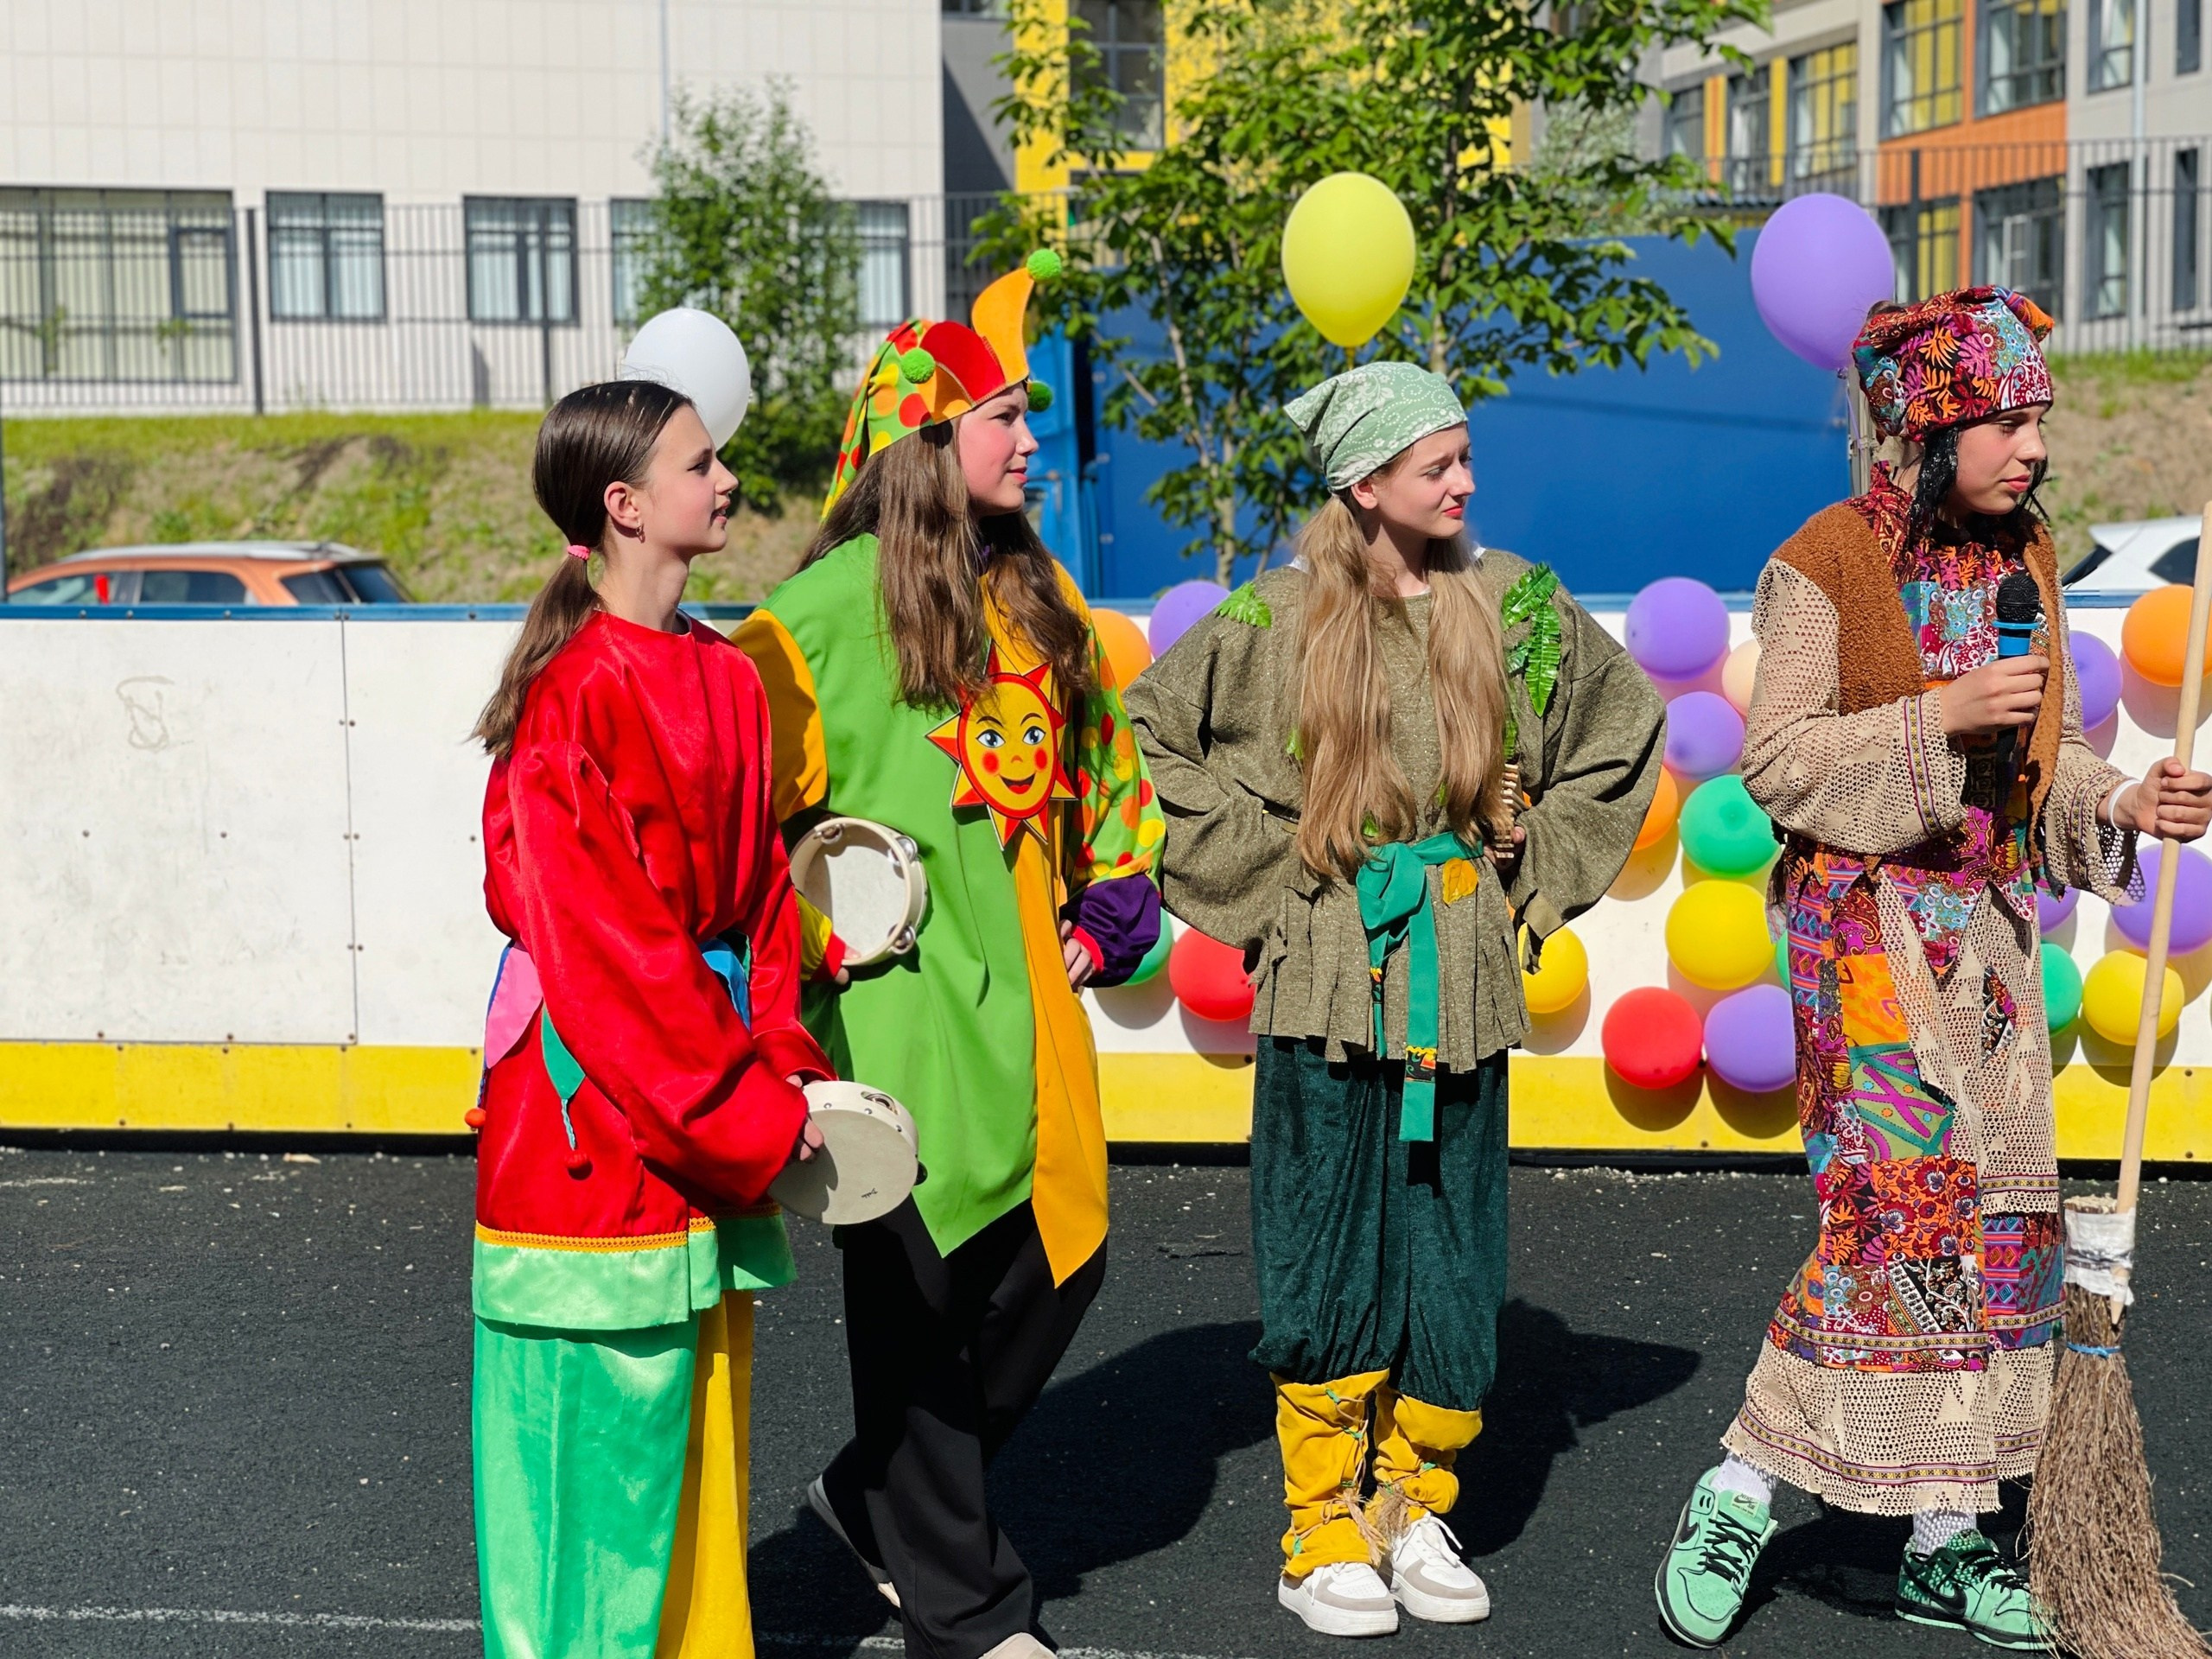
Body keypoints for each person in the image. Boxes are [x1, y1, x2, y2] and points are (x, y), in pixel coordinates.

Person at [1653, 288, 2212, 1651]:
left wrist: (2118, 805)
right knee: (1895, 1233)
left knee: (1999, 1243)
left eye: (2039, 419)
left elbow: (2037, 766)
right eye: (2008, 418)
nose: (2031, 446)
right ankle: (1739, 1483)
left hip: (1995, 952)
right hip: (1870, 945)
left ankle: (1946, 1540)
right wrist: (1934, 717)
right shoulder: (1825, 564)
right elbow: (1777, 764)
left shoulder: (2022, 559)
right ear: (1934, 420)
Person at [1127, 361, 1665, 1638]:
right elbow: (1154, 728)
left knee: (1451, 1243)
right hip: (1328, 977)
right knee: (1326, 1235)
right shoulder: (1276, 618)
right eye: (1438, 466)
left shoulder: (1513, 606)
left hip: (1461, 972)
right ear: (1365, 487)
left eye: (1465, 459)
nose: (1466, 483)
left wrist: (1524, 890)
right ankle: (1320, 1523)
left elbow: (1624, 727)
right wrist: (1276, 887)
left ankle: (1413, 1499)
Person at [734, 252, 1163, 1659]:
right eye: (1007, 422)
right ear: (930, 443)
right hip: (892, 1023)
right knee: (917, 1306)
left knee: (1065, 1256)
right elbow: (734, 810)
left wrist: (1115, 890)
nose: (1032, 444)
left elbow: (1103, 766)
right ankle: (969, 1610)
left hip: (1029, 1002)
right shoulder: (806, 628)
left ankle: (879, 1504)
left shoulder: (1036, 599)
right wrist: (791, 941)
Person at [467, 379, 833, 1659]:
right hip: (598, 1129)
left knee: (690, 1466)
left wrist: (783, 1067)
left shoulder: (726, 677)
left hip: (694, 1103)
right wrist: (750, 1109)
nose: (726, 479)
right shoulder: (574, 695)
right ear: (623, 507)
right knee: (597, 1486)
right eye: (701, 461)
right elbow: (613, 957)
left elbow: (764, 917)